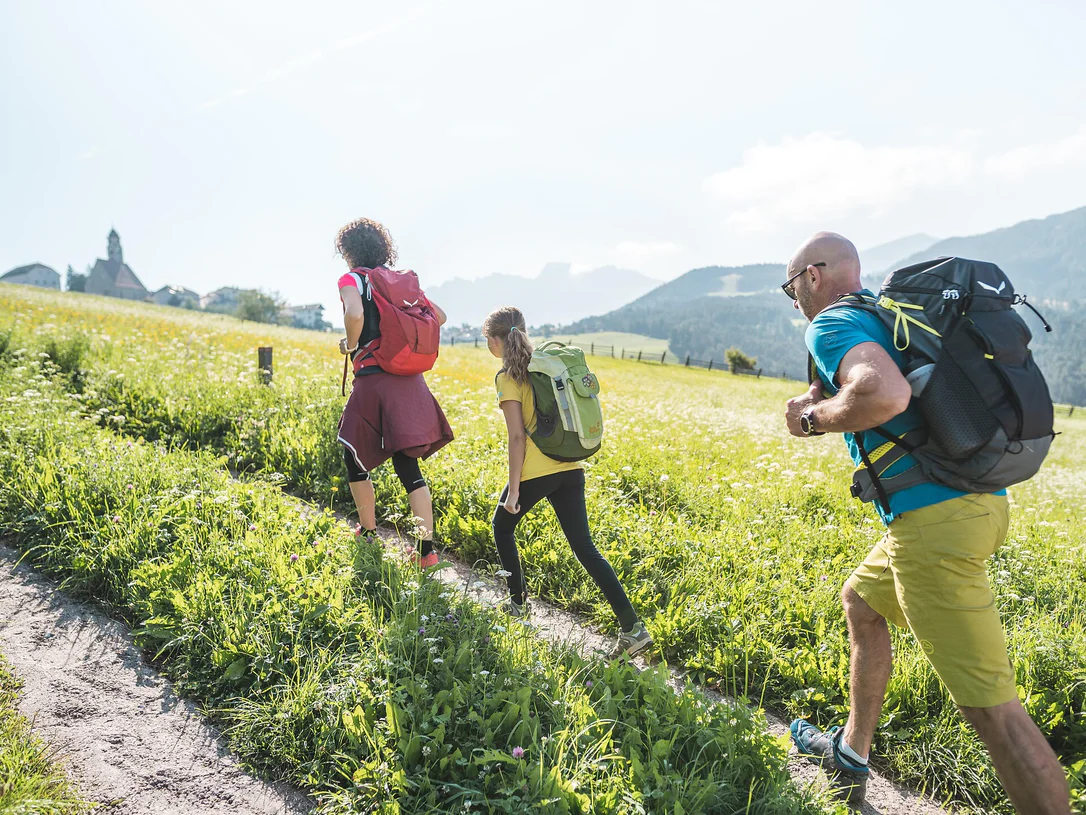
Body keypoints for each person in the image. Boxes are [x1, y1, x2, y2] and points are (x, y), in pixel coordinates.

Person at [781, 232, 1069, 812]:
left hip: (934, 527)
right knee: (861, 603)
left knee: (996, 716)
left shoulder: (832, 322)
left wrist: (813, 418)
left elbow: (884, 395)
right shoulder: (887, 316)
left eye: (792, 288)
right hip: (978, 503)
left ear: (813, 277)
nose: (794, 301)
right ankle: (852, 756)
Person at [483, 306, 651, 658]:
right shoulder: (544, 367)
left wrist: (514, 490)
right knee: (585, 549)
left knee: (501, 525)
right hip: (571, 467)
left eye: (487, 339)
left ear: (496, 340)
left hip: (537, 471)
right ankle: (633, 628)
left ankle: (516, 606)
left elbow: (517, 437)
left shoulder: (507, 377)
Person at [335, 217, 453, 569]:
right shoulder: (399, 281)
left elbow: (355, 312)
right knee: (407, 462)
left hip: (374, 377)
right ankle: (426, 552)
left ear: (347, 250)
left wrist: (350, 344)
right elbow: (440, 316)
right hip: (409, 379)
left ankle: (369, 533)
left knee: (353, 453)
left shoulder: (352, 278)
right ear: (384, 248)